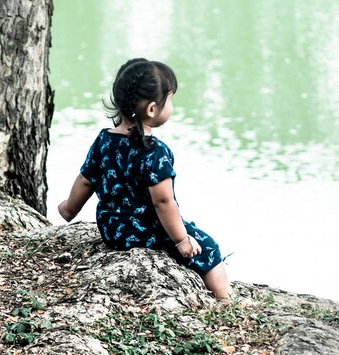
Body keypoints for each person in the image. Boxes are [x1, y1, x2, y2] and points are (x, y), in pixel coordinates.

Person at [58, 58, 232, 300]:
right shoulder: (154, 153)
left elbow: (86, 179)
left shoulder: (104, 139)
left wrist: (69, 208)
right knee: (208, 246)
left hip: (112, 230)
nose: (172, 105)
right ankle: (225, 299)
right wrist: (181, 239)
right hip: (143, 232)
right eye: (170, 100)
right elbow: (163, 203)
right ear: (152, 109)